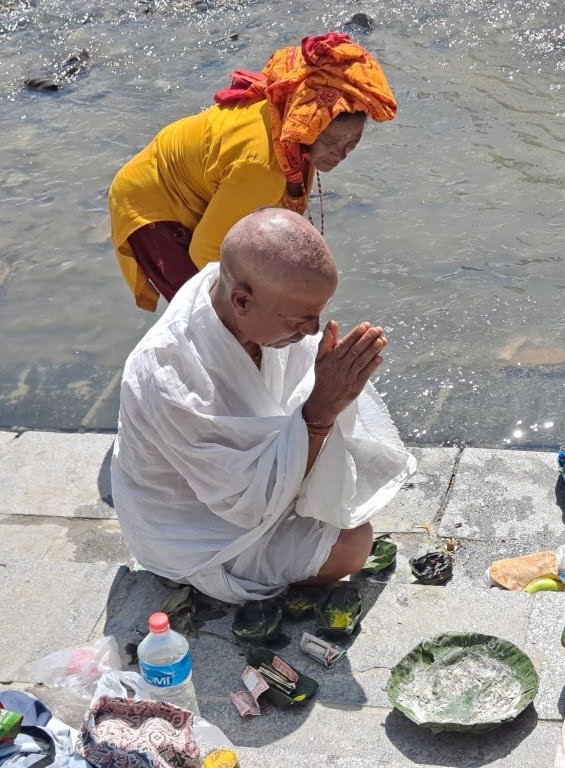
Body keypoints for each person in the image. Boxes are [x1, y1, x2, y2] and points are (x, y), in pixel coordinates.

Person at [110, 208, 415, 604]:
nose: (310, 331)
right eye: (300, 320)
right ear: (241, 300)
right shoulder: (168, 374)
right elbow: (245, 507)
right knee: (352, 544)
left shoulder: (250, 309)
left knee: (348, 502)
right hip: (193, 531)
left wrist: (334, 392)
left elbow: (291, 401)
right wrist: (321, 411)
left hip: (257, 490)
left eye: (317, 315)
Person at [109, 32, 397, 311]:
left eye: (353, 141)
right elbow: (207, 255)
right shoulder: (262, 168)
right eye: (332, 141)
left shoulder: (294, 132)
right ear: (304, 125)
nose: (341, 154)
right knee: (216, 319)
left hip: (208, 189)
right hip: (152, 203)